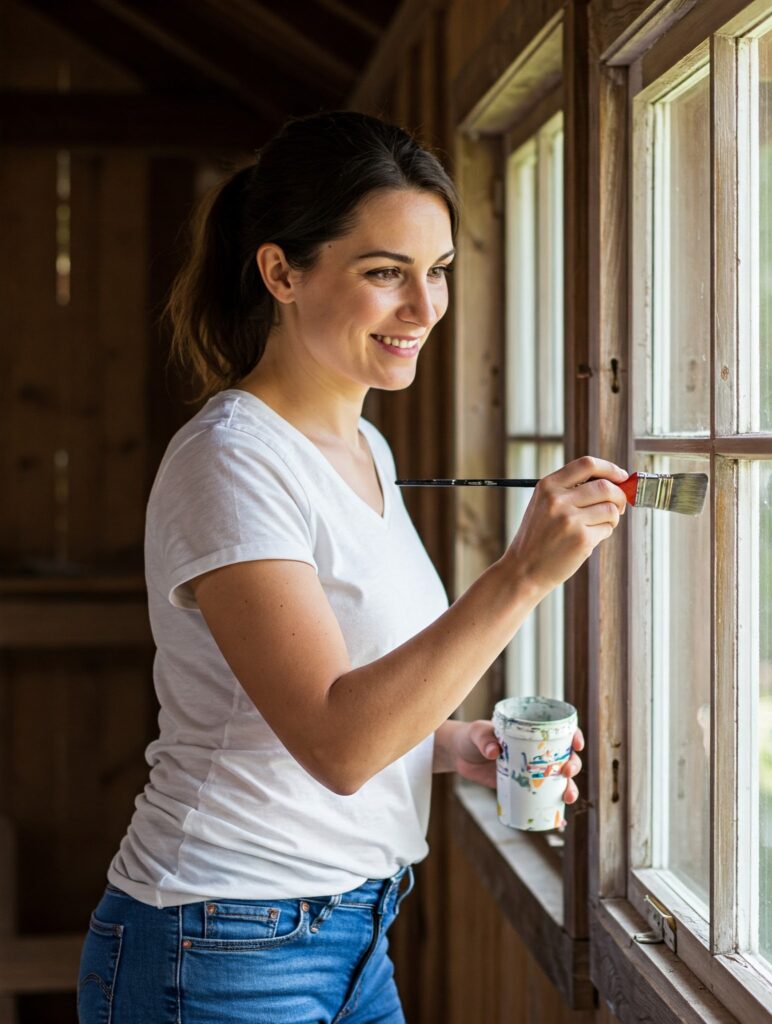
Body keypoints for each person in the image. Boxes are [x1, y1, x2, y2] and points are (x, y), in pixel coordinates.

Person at [76, 110, 628, 1024]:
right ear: (281, 271)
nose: (423, 308)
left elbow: (341, 700)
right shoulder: (229, 459)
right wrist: (523, 574)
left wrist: (452, 744)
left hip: (354, 935)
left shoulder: (365, 444)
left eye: (439, 270)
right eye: (385, 273)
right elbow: (336, 744)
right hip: (216, 943)